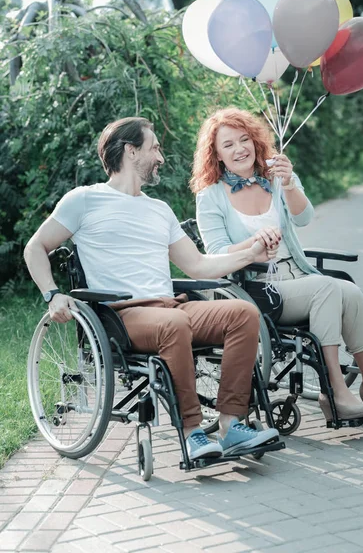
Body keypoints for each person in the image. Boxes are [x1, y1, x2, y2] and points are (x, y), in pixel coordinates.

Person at [24, 116, 279, 462]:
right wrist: (52, 293)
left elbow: (199, 266)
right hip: (123, 315)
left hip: (172, 307)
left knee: (243, 314)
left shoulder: (160, 209)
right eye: (154, 147)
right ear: (131, 151)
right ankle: (192, 432)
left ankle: (231, 424)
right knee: (175, 326)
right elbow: (35, 247)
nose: (160, 156)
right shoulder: (84, 200)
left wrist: (250, 253)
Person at [191, 106, 363, 421]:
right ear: (217, 154)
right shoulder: (211, 196)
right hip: (257, 288)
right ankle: (335, 391)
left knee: (349, 290)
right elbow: (217, 253)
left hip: (298, 275)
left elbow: (304, 218)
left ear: (255, 141)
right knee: (328, 288)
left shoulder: (275, 178)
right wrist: (253, 243)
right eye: (229, 144)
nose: (239, 149)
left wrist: (288, 184)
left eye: (244, 139)